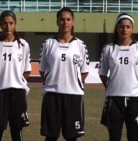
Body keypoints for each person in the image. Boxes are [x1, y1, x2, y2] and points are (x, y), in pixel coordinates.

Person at [39, 7, 90, 141]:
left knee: (72, 137)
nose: (65, 22)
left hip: (73, 96)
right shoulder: (48, 44)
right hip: (52, 95)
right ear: (57, 22)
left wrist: (72, 83)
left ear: (73, 22)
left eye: (68, 19)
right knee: (50, 137)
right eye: (62, 19)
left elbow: (84, 72)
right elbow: (42, 70)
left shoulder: (80, 45)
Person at [98, 13, 138, 141]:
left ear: (132, 28)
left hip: (135, 99)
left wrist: (134, 87)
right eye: (121, 26)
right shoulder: (108, 49)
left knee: (135, 136)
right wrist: (111, 87)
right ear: (117, 28)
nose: (124, 30)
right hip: (114, 99)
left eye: (127, 26)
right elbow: (103, 73)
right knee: (114, 136)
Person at [0, 10, 32, 141]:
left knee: (17, 132)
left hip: (18, 93)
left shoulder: (23, 45)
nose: (8, 27)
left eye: (11, 23)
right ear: (0, 25)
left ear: (15, 24)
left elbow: (27, 70)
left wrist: (18, 81)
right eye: (5, 23)